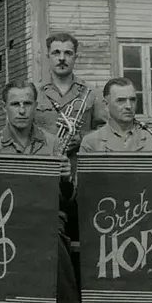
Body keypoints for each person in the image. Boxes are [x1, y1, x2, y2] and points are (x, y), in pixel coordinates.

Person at [0, 80, 85, 303]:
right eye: (15, 104)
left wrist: (65, 179)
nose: (22, 110)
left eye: (27, 103)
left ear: (35, 106)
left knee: (55, 241)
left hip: (45, 217)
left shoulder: (52, 143)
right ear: (4, 108)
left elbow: (68, 199)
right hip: (5, 219)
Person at [79, 77, 152, 303]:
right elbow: (85, 191)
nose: (128, 105)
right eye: (121, 100)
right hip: (105, 219)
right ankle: (107, 299)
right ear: (106, 105)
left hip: (142, 216)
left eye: (132, 99)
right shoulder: (92, 142)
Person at [35, 32, 108, 240]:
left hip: (80, 177)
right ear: (47, 56)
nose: (62, 58)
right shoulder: (36, 93)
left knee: (83, 237)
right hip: (45, 177)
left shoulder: (91, 94)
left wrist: (83, 138)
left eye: (68, 53)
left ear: (76, 57)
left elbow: (105, 130)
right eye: (56, 53)